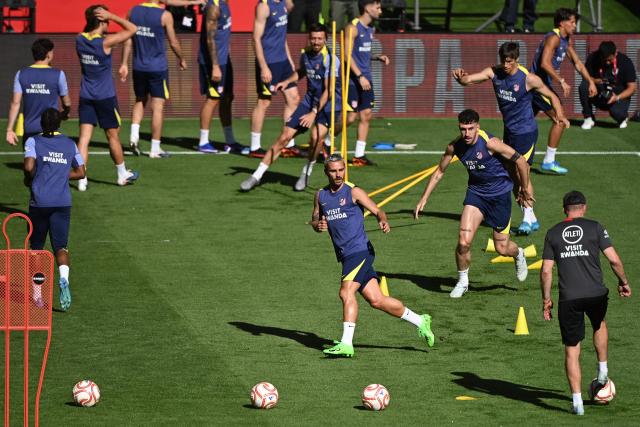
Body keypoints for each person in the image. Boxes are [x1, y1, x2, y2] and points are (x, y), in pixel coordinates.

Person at [310, 153, 435, 357]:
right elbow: (315, 218)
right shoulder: (321, 196)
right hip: (345, 255)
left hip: (360, 251)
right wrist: (318, 225)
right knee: (377, 300)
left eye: (341, 169)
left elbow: (378, 210)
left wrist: (382, 220)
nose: (338, 174)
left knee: (345, 292)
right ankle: (421, 320)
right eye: (333, 171)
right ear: (326, 172)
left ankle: (346, 344)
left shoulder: (354, 192)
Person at [452, 41, 570, 235]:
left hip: (526, 132)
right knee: (511, 173)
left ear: (516, 60)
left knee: (521, 168)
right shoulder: (494, 72)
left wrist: (560, 115)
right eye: (503, 61)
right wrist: (460, 76)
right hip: (509, 132)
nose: (505, 65)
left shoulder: (528, 79)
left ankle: (527, 217)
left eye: (509, 61)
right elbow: (469, 80)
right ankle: (530, 217)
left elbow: (552, 97)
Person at [414, 109, 532, 298]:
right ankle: (462, 282)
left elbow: (521, 161)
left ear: (478, 126)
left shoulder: (491, 143)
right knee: (463, 242)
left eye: (470, 129)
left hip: (499, 197)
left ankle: (519, 254)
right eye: (463, 129)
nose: (466, 134)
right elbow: (439, 172)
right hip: (476, 195)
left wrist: (523, 188)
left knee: (502, 247)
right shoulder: (455, 147)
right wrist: (424, 198)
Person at [540, 190, 631, 415]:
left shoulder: (553, 233)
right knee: (599, 324)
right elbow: (614, 259)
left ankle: (577, 403)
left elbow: (545, 271)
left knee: (572, 350)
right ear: (585, 207)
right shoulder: (595, 227)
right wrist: (624, 282)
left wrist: (546, 300)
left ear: (564, 211)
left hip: (568, 298)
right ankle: (602, 371)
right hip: (596, 294)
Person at [240, 23, 342, 192]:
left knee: (316, 139)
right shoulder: (306, 54)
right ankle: (256, 176)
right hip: (309, 100)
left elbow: (329, 91)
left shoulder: (330, 59)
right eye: (313, 38)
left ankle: (306, 171)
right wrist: (287, 81)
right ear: (309, 38)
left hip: (328, 105)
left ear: (326, 39)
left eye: (320, 39)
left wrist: (313, 113)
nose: (316, 42)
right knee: (284, 137)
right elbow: (301, 72)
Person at [24, 109, 86, 311]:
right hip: (62, 202)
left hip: (39, 203)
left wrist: (36, 175)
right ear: (59, 124)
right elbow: (81, 172)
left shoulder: (33, 142)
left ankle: (38, 296)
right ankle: (64, 279)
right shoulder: (70, 143)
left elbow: (28, 166)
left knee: (36, 251)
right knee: (61, 247)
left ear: (41, 124)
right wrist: (60, 175)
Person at [76, 5, 139, 191]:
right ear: (101, 21)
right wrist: (113, 15)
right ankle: (122, 174)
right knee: (113, 136)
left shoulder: (79, 39)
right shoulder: (105, 42)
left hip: (86, 96)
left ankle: (81, 178)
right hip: (105, 97)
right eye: (107, 21)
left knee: (83, 139)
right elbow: (132, 29)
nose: (109, 24)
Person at [530, 7, 596, 175]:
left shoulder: (566, 40)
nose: (574, 26)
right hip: (538, 87)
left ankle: (499, 153)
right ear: (562, 23)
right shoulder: (553, 38)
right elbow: (545, 63)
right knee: (560, 119)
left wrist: (590, 82)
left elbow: (577, 63)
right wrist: (561, 81)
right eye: (572, 22)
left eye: (575, 22)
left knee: (521, 122)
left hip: (540, 87)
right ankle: (549, 161)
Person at [119, 0, 187, 159]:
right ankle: (155, 148)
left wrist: (124, 63)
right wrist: (182, 58)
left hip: (138, 66)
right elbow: (173, 41)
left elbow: (127, 39)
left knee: (139, 100)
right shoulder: (164, 15)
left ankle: (133, 137)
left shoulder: (133, 11)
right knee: (158, 106)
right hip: (157, 68)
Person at [249, 0, 301, 159]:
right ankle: (255, 147)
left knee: (294, 99)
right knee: (264, 101)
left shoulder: (283, 4)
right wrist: (263, 66)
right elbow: (256, 38)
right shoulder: (264, 6)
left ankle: (288, 144)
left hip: (282, 61)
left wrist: (289, 59)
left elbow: (281, 35)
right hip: (268, 61)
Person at [196, 0, 246, 154]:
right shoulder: (214, 8)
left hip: (224, 59)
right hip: (213, 62)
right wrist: (215, 66)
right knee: (213, 98)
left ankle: (230, 141)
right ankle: (203, 141)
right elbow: (210, 39)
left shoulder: (225, 4)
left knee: (227, 97)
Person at [344, 0, 390, 166]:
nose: (380, 11)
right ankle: (326, 140)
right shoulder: (352, 27)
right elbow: (346, 55)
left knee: (366, 115)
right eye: (377, 7)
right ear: (367, 8)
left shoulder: (370, 29)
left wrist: (376, 57)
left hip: (366, 78)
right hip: (353, 79)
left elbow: (360, 54)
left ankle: (359, 155)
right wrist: (360, 76)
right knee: (350, 118)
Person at [6, 38, 71, 146]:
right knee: (49, 162)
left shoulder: (21, 74)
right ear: (48, 54)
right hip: (51, 129)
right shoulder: (58, 74)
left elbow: (15, 103)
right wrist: (65, 112)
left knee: (30, 162)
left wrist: (9, 129)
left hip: (29, 129)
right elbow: (67, 102)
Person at [580, 41, 637, 130]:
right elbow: (585, 76)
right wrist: (594, 81)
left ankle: (622, 117)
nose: (607, 62)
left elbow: (632, 88)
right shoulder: (593, 58)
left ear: (616, 53)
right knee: (584, 85)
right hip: (599, 93)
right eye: (604, 59)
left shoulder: (626, 62)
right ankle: (588, 117)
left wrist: (617, 97)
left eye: (610, 60)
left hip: (617, 96)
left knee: (617, 112)